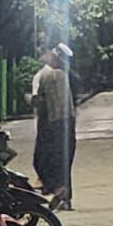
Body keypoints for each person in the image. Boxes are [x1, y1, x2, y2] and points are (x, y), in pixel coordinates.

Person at [32, 44, 76, 210]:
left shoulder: (46, 75)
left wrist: (30, 99)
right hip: (67, 122)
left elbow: (39, 101)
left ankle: (58, 190)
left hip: (51, 123)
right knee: (63, 162)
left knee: (43, 160)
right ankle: (63, 196)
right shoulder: (65, 76)